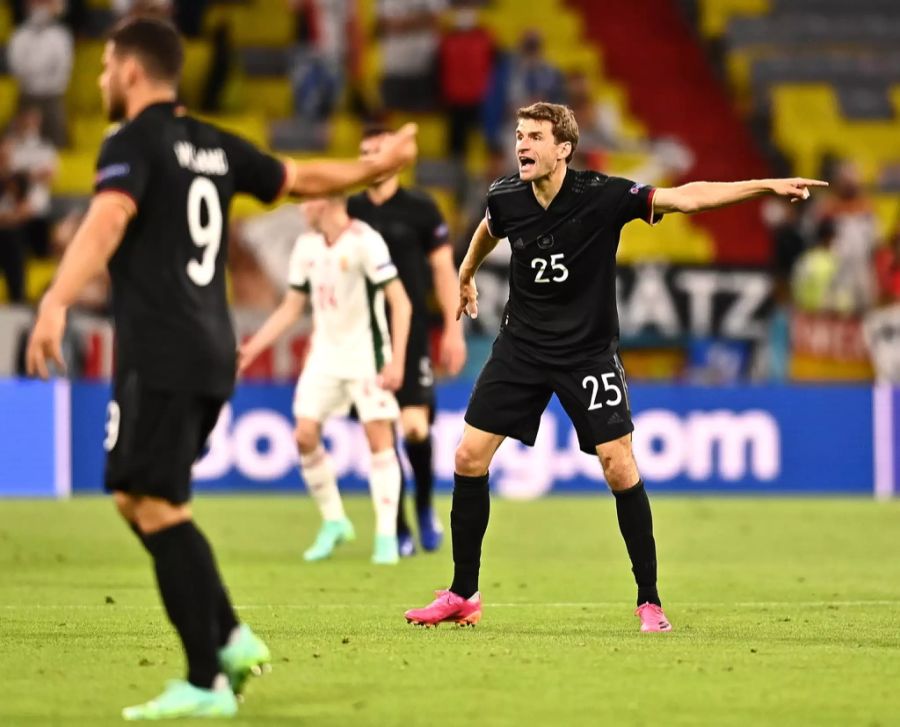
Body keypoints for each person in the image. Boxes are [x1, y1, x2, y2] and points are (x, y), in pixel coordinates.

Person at [25, 17, 417, 720]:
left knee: (156, 504)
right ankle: (229, 637)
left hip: (164, 349)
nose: (100, 77)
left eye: (106, 66)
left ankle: (208, 675)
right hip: (209, 346)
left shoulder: (133, 141)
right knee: (137, 495)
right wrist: (371, 170)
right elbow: (300, 179)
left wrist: (54, 299)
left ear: (134, 72)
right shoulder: (214, 143)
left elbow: (110, 217)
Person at [404, 102, 826, 631]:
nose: (522, 146)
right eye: (518, 136)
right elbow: (489, 230)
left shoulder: (603, 195)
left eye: (534, 137)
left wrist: (764, 184)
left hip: (586, 351)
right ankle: (463, 593)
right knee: (468, 457)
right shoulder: (506, 195)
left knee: (618, 464)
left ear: (563, 149)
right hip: (522, 346)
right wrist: (466, 274)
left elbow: (686, 198)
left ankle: (649, 600)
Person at [238, 196, 412, 564]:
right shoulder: (307, 245)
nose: (301, 209)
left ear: (330, 201)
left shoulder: (365, 241)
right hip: (325, 356)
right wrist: (252, 348)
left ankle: (385, 536)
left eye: (306, 201)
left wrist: (397, 360)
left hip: (367, 354)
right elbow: (291, 306)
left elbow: (401, 302)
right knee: (303, 434)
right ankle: (334, 521)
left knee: (378, 436)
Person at [348, 126, 467, 556]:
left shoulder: (420, 207)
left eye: (375, 151)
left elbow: (441, 270)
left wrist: (452, 329)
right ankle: (396, 526)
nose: (368, 159)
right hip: (363, 336)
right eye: (363, 152)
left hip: (412, 332)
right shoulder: (351, 207)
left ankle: (423, 506)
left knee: (415, 428)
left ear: (395, 158)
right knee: (380, 437)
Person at [7, 0, 73, 147]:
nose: (40, 8)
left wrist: (44, 82)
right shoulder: (19, 35)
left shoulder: (61, 36)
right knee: (17, 143)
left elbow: (63, 70)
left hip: (52, 98)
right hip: (27, 96)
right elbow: (17, 68)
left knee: (59, 142)